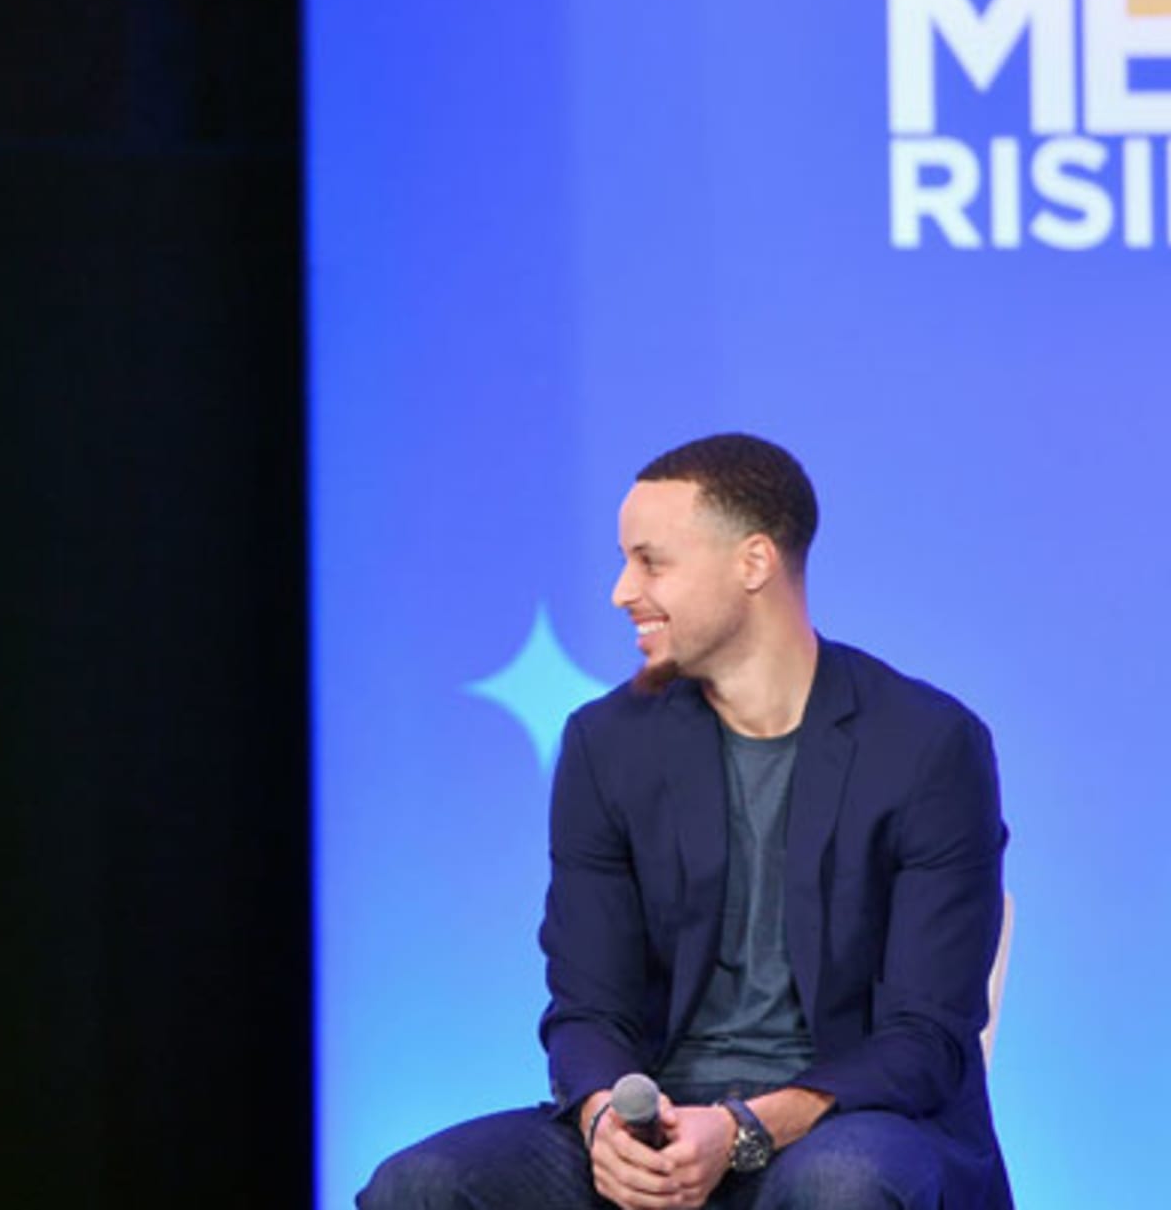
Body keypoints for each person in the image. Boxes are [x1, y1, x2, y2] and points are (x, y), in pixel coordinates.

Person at [360, 434, 1011, 1209]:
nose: (620, 590)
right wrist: (605, 1119)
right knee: (420, 1186)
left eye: (650, 561)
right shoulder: (608, 745)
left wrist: (744, 1127)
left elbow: (926, 1037)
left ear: (754, 563)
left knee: (841, 1187)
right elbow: (587, 1007)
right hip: (662, 1118)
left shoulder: (927, 744)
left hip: (849, 1121)